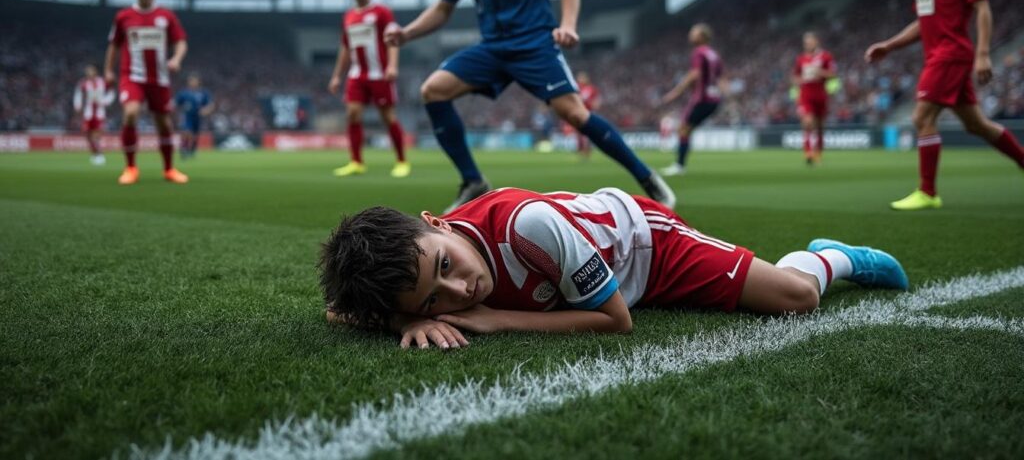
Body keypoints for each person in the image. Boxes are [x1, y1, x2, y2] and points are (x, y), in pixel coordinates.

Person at [384, 0, 675, 212]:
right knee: (433, 89)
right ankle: (473, 182)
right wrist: (407, 34)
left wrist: (567, 26)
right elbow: (442, 9)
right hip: (493, 48)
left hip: (535, 44)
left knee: (576, 114)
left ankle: (646, 176)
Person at [318, 187, 909, 349]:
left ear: (438, 222)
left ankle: (836, 255)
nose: (459, 288)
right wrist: (401, 322)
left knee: (797, 297)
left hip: (644, 246)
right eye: (434, 301)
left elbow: (616, 322)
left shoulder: (527, 225)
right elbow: (343, 310)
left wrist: (497, 319)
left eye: (445, 264)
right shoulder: (415, 274)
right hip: (601, 270)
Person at [865, 0, 1024, 210]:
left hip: (951, 54)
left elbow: (983, 8)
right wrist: (890, 45)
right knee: (977, 125)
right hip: (938, 54)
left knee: (922, 117)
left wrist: (983, 53)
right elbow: (923, 23)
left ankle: (927, 191)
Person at [103, 0, 189, 185]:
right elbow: (113, 45)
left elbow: (181, 41)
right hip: (131, 76)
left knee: (164, 124)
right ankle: (130, 168)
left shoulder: (166, 16)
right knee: (131, 113)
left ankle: (169, 169)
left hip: (159, 79)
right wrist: (108, 70)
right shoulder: (123, 16)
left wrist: (176, 58)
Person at [328, 0, 410, 178]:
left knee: (387, 116)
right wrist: (337, 75)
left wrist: (392, 65)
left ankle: (401, 161)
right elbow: (346, 48)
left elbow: (393, 40)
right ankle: (356, 162)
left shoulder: (382, 12)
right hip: (357, 75)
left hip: (379, 74)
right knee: (352, 114)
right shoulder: (349, 16)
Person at [659, 24, 728, 176]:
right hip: (715, 99)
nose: (690, 35)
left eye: (694, 33)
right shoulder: (714, 54)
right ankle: (680, 164)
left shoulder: (699, 52)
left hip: (702, 98)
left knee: (683, 128)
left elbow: (694, 74)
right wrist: (727, 97)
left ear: (702, 36)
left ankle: (679, 165)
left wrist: (675, 92)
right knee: (686, 129)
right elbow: (721, 77)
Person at [792, 32, 836, 165]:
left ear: (816, 41)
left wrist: (819, 72)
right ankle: (808, 153)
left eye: (810, 41)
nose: (808, 44)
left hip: (821, 95)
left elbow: (833, 74)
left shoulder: (826, 56)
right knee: (807, 122)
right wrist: (799, 80)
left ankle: (818, 153)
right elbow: (795, 77)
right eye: (806, 42)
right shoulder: (800, 59)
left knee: (820, 127)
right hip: (806, 95)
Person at [72, 63, 114, 165]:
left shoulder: (102, 82)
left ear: (95, 72)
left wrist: (105, 101)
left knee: (96, 134)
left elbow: (111, 92)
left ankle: (100, 155)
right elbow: (78, 94)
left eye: (91, 72)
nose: (89, 74)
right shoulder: (84, 83)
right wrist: (77, 105)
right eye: (87, 73)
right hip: (88, 113)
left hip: (99, 113)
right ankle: (94, 154)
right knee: (87, 134)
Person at [175, 73, 213, 159]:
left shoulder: (203, 92)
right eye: (191, 81)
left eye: (194, 80)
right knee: (187, 132)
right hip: (187, 116)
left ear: (198, 82)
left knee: (195, 135)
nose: (193, 82)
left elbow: (210, 104)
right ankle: (184, 149)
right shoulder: (183, 93)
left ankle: (192, 150)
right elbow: (176, 103)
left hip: (198, 117)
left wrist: (206, 110)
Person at [575, 72, 600, 159]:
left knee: (586, 133)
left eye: (582, 78)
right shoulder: (577, 87)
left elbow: (596, 101)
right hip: (578, 112)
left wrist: (594, 106)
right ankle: (581, 150)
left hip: (587, 112)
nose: (580, 79)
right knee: (579, 133)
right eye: (579, 78)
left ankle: (586, 151)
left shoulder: (590, 88)